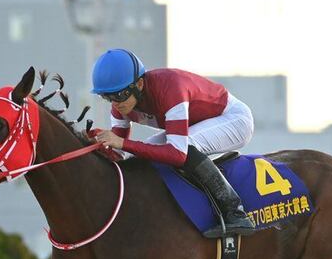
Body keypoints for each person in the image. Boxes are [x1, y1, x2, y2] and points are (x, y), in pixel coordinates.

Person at [90, 48, 255, 237]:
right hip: (199, 124)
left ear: (140, 84)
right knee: (137, 155)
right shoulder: (120, 107)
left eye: (119, 95)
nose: (115, 103)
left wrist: (122, 143)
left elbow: (178, 154)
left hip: (234, 119)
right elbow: (120, 155)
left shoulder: (170, 88)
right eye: (107, 97)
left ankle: (234, 211)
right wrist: (94, 146)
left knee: (186, 146)